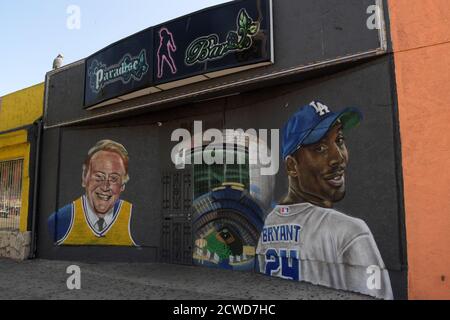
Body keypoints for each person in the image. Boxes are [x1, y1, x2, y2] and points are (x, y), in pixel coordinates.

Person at [256, 101, 393, 300]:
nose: (338, 158)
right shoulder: (350, 232)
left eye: (339, 140)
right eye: (320, 148)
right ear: (292, 166)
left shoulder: (270, 223)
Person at [48, 140, 137, 246]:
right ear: (84, 177)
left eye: (114, 178)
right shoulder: (59, 220)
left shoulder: (136, 220)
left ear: (122, 185)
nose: (105, 187)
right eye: (99, 176)